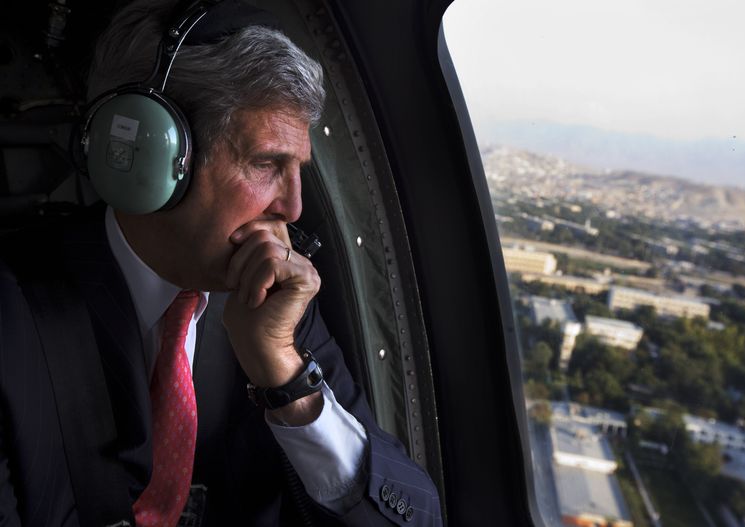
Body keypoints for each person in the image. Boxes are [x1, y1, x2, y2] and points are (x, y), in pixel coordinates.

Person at [0, 0, 442, 525]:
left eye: (297, 168)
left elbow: (411, 518)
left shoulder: (279, 313)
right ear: (151, 155)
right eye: (265, 164)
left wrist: (286, 380)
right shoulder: (12, 311)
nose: (294, 208)